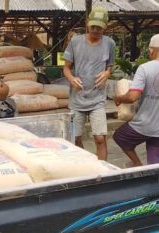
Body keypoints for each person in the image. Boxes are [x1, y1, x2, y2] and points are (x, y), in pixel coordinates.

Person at [63, 7, 115, 160]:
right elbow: (66, 68)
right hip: (77, 99)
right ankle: (87, 163)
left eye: (99, 27)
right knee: (76, 138)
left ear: (105, 26)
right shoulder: (75, 41)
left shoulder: (109, 43)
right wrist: (72, 79)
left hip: (97, 99)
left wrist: (107, 73)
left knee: (99, 138)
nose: (95, 30)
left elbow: (110, 66)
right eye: (93, 26)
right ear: (87, 23)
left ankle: (104, 171)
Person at [113, 34, 159, 166]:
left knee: (120, 137)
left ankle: (138, 165)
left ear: (151, 50)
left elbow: (133, 97)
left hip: (145, 124)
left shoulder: (145, 68)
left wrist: (119, 98)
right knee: (155, 160)